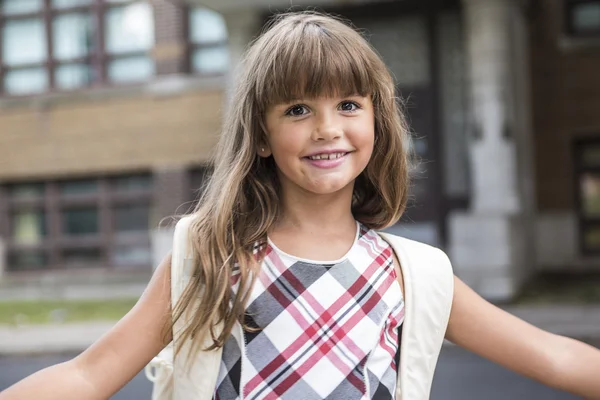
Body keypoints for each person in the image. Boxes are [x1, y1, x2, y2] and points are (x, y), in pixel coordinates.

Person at [2, 11, 600, 400]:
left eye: (347, 105)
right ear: (261, 136)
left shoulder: (413, 274)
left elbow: (550, 355)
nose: (326, 129)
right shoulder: (214, 257)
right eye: (296, 110)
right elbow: (87, 374)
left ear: (375, 122)